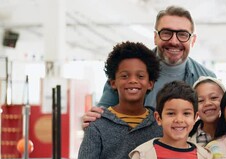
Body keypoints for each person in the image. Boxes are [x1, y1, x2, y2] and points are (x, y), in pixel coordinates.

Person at [82, 5, 215, 128]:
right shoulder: (128, 71)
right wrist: (92, 122)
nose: (174, 41)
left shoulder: (207, 79)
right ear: (155, 37)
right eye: (166, 33)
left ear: (193, 40)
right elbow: (102, 116)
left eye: (182, 35)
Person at [189, 76, 226, 146]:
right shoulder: (187, 139)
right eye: (200, 100)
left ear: (224, 99)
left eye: (213, 98)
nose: (207, 103)